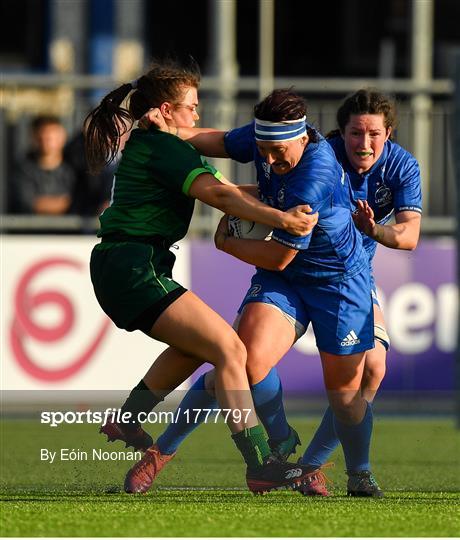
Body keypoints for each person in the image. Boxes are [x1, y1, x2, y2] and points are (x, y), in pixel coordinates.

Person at [125, 88, 379, 497]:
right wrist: (171, 129)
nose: (272, 161)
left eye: (280, 152)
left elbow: (278, 255)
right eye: (263, 150)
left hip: (337, 282)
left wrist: (226, 244)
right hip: (287, 281)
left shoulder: (316, 176)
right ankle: (270, 445)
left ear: (301, 138)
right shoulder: (269, 139)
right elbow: (221, 141)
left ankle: (359, 474)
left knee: (346, 398)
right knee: (240, 362)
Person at [84, 58, 318, 495]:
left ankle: (129, 418)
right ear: (167, 110)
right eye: (191, 106)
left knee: (197, 348)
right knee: (230, 348)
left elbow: (228, 191)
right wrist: (282, 221)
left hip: (126, 265)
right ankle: (260, 463)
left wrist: (285, 199)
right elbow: (217, 195)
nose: (197, 114)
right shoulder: (166, 147)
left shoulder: (160, 146)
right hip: (134, 265)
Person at [9, 115, 76, 215]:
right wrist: (67, 203)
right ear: (33, 138)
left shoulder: (74, 169)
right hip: (30, 229)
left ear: (62, 137)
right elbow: (29, 204)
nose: (46, 141)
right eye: (42, 136)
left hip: (70, 230)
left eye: (50, 137)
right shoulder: (23, 170)